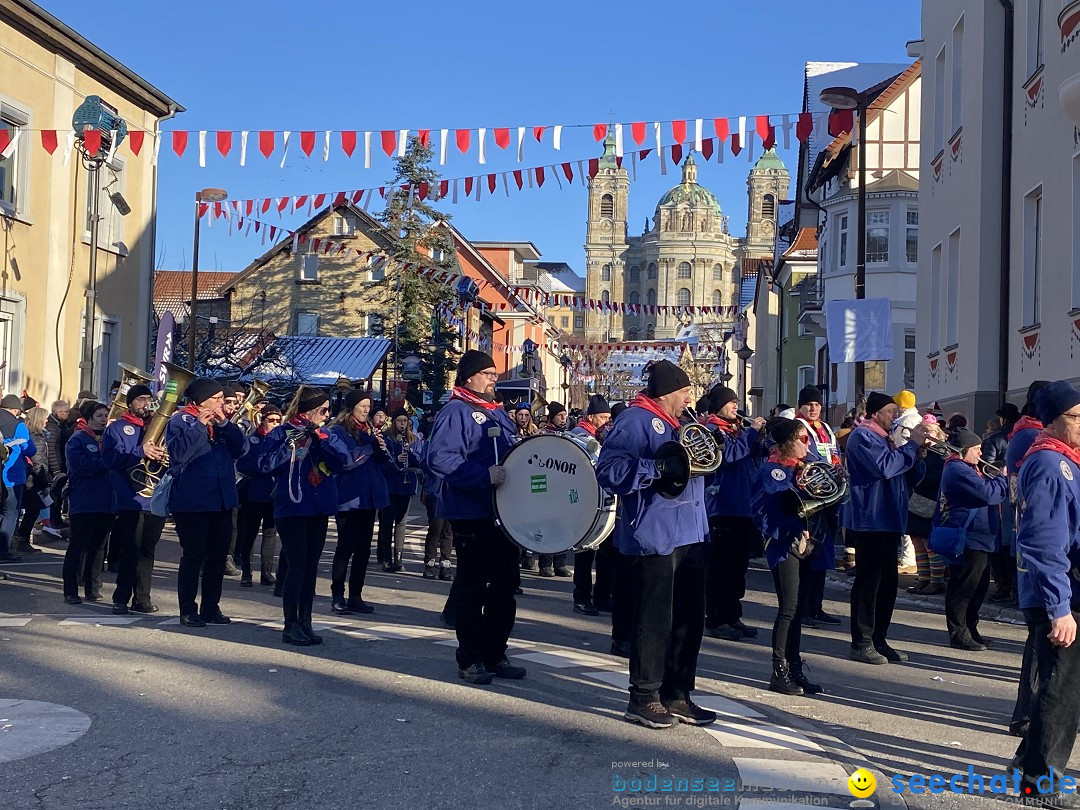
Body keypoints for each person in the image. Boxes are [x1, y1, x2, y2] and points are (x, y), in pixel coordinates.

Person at [596, 359, 716, 729]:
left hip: (691, 532)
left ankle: (678, 693)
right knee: (654, 620)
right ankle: (644, 696)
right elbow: (609, 470)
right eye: (683, 393)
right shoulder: (634, 420)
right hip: (655, 536)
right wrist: (655, 469)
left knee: (689, 619)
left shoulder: (682, 423)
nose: (688, 399)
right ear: (666, 394)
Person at [426, 350, 526, 686]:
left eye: (494, 374)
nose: (493, 379)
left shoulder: (496, 413)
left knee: (504, 586)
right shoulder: (457, 411)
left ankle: (495, 653)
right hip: (472, 511)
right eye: (487, 374)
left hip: (503, 513)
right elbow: (441, 459)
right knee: (473, 587)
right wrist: (484, 476)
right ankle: (470, 658)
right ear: (469, 377)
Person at [1013, 380, 1080, 808]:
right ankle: (1042, 783)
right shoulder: (1051, 464)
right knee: (1062, 688)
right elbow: (1044, 540)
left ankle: (1027, 764)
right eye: (1075, 418)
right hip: (1060, 593)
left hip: (1065, 588)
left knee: (1059, 684)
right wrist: (1060, 607)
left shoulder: (1067, 461)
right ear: (1052, 421)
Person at [256, 386, 352, 645]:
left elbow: (344, 461)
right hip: (292, 508)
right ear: (310, 411)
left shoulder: (325, 433)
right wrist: (291, 447)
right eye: (323, 411)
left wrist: (323, 440)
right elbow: (264, 465)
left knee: (310, 568)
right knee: (297, 567)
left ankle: (305, 621)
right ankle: (290, 625)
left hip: (318, 508)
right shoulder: (281, 433)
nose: (327, 414)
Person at [842, 391, 926, 665]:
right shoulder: (863, 436)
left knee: (888, 584)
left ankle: (880, 638)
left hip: (890, 518)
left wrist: (920, 455)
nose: (896, 416)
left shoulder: (887, 438)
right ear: (875, 413)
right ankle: (861, 641)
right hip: (871, 518)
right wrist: (911, 446)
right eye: (891, 411)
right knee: (869, 582)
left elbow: (909, 476)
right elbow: (885, 467)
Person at [751, 417, 826, 696]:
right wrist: (795, 530)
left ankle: (794, 667)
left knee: (798, 610)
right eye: (802, 440)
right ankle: (778, 671)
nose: (807, 445)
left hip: (805, 544)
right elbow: (765, 511)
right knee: (788, 609)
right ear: (786, 444)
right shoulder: (773, 470)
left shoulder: (799, 468)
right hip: (784, 544)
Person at [165, 378, 246, 628]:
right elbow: (179, 454)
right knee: (193, 556)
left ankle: (211, 607)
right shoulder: (180, 421)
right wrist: (200, 425)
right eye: (218, 399)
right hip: (192, 501)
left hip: (221, 500)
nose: (223, 403)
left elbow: (241, 449)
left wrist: (225, 424)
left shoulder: (222, 423)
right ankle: (188, 609)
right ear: (202, 401)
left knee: (217, 556)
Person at [933, 428, 1008, 651]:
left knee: (978, 587)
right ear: (963, 450)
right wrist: (1002, 480)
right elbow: (987, 494)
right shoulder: (956, 469)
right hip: (968, 537)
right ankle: (958, 633)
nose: (980, 453)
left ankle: (971, 628)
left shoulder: (969, 467)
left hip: (982, 538)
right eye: (976, 449)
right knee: (963, 587)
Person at [703, 385, 767, 641]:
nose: (735, 406)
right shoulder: (711, 430)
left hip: (743, 507)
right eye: (731, 402)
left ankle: (732, 615)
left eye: (736, 401)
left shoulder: (737, 429)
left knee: (737, 568)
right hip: (721, 508)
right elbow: (728, 455)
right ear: (718, 406)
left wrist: (763, 438)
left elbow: (755, 453)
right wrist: (751, 433)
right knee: (721, 567)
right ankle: (716, 618)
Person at [1009, 381, 1051, 739]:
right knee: (1041, 638)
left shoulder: (1030, 439)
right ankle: (1026, 715)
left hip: (1033, 554)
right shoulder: (1035, 444)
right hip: (1038, 560)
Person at [102, 384, 168, 615]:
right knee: (131, 549)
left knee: (148, 550)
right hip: (130, 498)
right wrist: (141, 452)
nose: (145, 404)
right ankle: (120, 598)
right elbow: (111, 459)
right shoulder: (118, 428)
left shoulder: (158, 428)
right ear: (130, 403)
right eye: (140, 399)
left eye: (148, 399)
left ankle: (142, 598)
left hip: (155, 499)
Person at [329, 389, 389, 611]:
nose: (367, 409)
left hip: (369, 498)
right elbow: (347, 460)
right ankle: (337, 595)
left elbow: (379, 464)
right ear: (351, 407)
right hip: (348, 497)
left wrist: (383, 450)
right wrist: (370, 447)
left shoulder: (369, 430)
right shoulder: (338, 431)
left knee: (364, 549)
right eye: (362, 405)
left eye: (368, 405)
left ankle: (356, 595)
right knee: (345, 547)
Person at [792, 385, 842, 627]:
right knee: (808, 553)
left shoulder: (826, 429)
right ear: (800, 405)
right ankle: (802, 609)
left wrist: (839, 468)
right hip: (809, 495)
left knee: (822, 554)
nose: (813, 408)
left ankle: (816, 606)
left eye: (817, 404)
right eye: (809, 404)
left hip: (828, 496)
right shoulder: (798, 428)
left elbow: (834, 453)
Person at [61, 401, 114, 604]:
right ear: (89, 417)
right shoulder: (78, 439)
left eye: (105, 416)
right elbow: (79, 466)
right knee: (78, 545)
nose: (104, 420)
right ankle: (70, 590)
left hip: (107, 500)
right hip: (84, 500)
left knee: (99, 546)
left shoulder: (109, 438)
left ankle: (92, 587)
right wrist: (105, 462)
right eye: (99, 416)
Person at [569, 395, 614, 616]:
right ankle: (582, 597)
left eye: (608, 417)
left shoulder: (601, 434)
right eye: (603, 417)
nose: (607, 421)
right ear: (591, 417)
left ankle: (602, 596)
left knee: (607, 552)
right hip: (583, 500)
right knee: (584, 553)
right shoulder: (579, 435)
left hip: (602, 499)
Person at [235, 404, 283, 587]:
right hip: (253, 494)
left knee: (270, 534)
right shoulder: (252, 440)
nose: (275, 424)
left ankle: (266, 572)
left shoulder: (282, 441)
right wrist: (262, 466)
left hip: (273, 495)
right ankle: (246, 573)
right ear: (262, 420)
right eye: (271, 420)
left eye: (278, 421)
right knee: (249, 534)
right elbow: (242, 465)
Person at [906, 416, 948, 596]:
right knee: (917, 541)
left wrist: (919, 479)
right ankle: (923, 578)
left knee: (928, 543)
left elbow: (936, 477)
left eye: (929, 431)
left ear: (938, 434)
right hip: (916, 503)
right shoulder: (919, 451)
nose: (926, 435)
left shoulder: (941, 453)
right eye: (922, 431)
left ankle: (936, 580)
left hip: (930, 502)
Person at [985, 402, 1021, 605]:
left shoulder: (995, 439)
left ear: (1002, 419)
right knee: (1013, 541)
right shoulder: (1025, 436)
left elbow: (987, 466)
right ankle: (1015, 586)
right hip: (1020, 492)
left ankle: (1003, 586)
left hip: (1001, 492)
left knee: (1000, 542)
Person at [378, 408, 421, 573]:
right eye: (399, 421)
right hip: (390, 485)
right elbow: (382, 464)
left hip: (406, 485)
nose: (402, 424)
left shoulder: (413, 439)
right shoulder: (387, 439)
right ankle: (386, 558)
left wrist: (410, 454)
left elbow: (419, 462)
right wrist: (395, 459)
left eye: (405, 421)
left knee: (402, 522)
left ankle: (399, 557)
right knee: (387, 522)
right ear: (393, 422)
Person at [13, 407, 52, 555]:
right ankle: (22, 540)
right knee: (32, 510)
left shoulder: (34, 435)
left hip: (30, 478)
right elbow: (37, 460)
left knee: (26, 510)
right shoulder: (36, 437)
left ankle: (18, 539)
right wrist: (42, 478)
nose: (47, 420)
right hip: (33, 479)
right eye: (45, 417)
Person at [0, 394, 33, 563]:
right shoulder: (18, 425)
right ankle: (3, 550)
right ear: (15, 410)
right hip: (12, 476)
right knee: (10, 513)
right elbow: (30, 449)